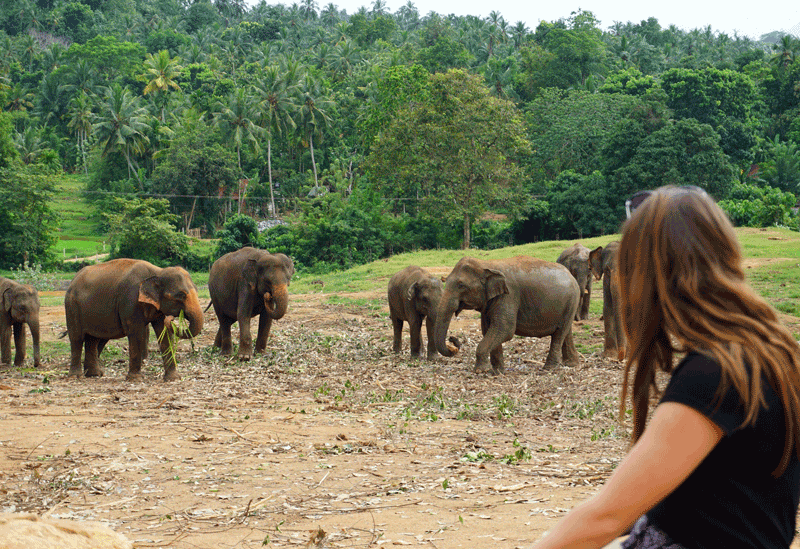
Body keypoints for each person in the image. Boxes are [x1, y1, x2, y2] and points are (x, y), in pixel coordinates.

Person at [531, 185, 800, 549]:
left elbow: (605, 517)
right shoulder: (773, 353)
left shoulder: (715, 374)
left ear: (652, 274)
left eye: (629, 268)